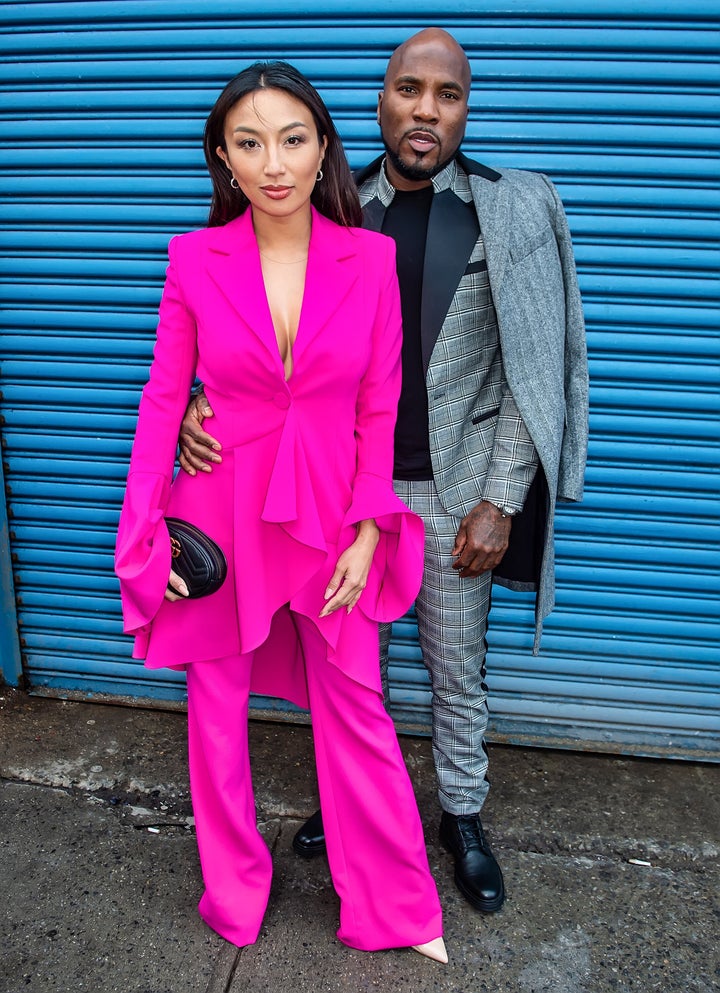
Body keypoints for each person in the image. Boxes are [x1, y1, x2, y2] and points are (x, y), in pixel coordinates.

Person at [179, 30, 589, 917]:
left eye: (449, 96)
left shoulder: (504, 210)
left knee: (453, 666)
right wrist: (195, 408)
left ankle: (462, 816)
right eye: (411, 90)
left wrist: (501, 497)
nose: (427, 111)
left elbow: (533, 367)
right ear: (380, 101)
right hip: (337, 488)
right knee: (352, 673)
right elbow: (249, 331)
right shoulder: (337, 208)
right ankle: (355, 806)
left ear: (464, 109)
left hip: (453, 492)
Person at [115, 61, 448, 963]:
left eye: (293, 139)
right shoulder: (194, 258)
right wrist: (142, 532)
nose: (274, 163)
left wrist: (374, 525)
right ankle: (234, 894)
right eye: (250, 142)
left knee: (357, 703)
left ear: (322, 149)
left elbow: (381, 401)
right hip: (218, 510)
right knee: (214, 710)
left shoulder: (369, 257)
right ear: (223, 157)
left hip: (333, 510)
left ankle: (394, 905)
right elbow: (159, 397)